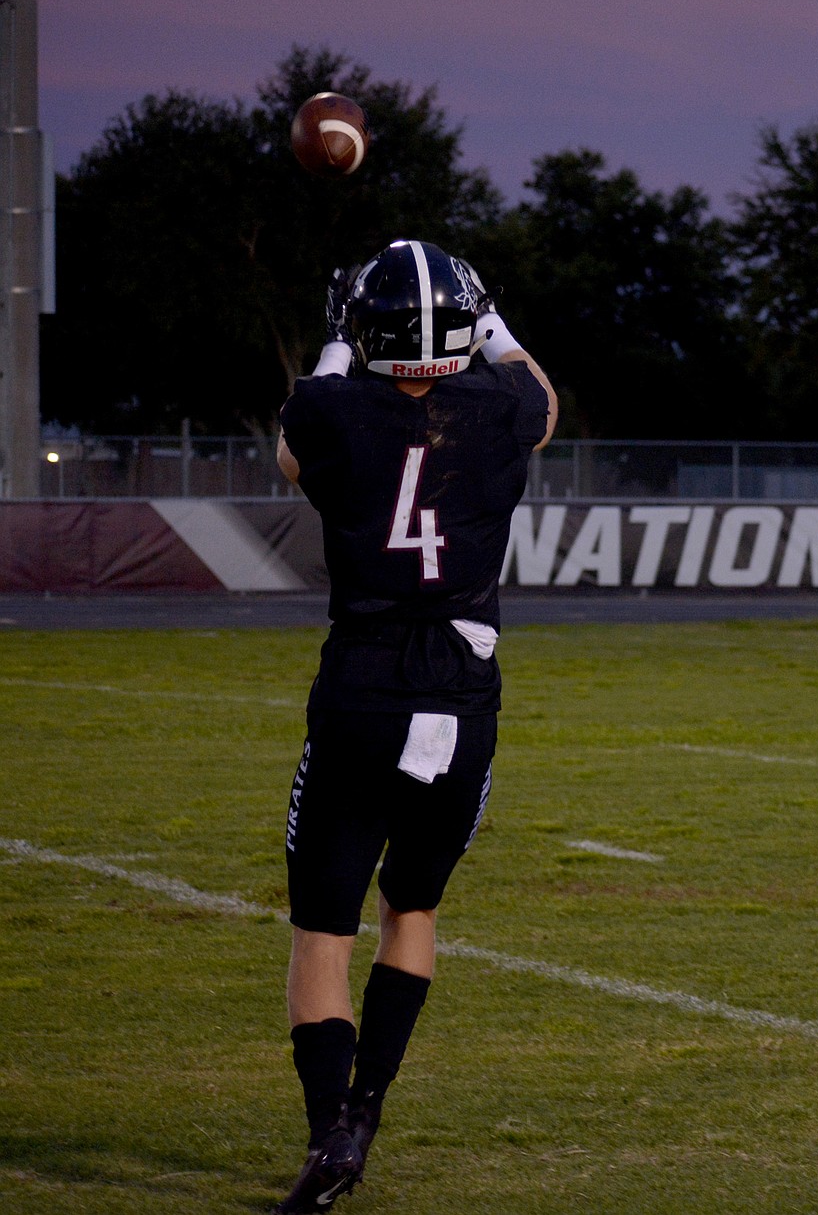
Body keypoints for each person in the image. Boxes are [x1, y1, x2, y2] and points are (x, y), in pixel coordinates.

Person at [272, 239, 557, 1214]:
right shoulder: (498, 409)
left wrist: (335, 341)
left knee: (322, 931)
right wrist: (492, 324)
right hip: (462, 694)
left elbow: (293, 447)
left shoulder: (336, 408)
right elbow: (540, 399)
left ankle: (329, 1131)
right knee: (414, 909)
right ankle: (369, 1107)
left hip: (362, 687)